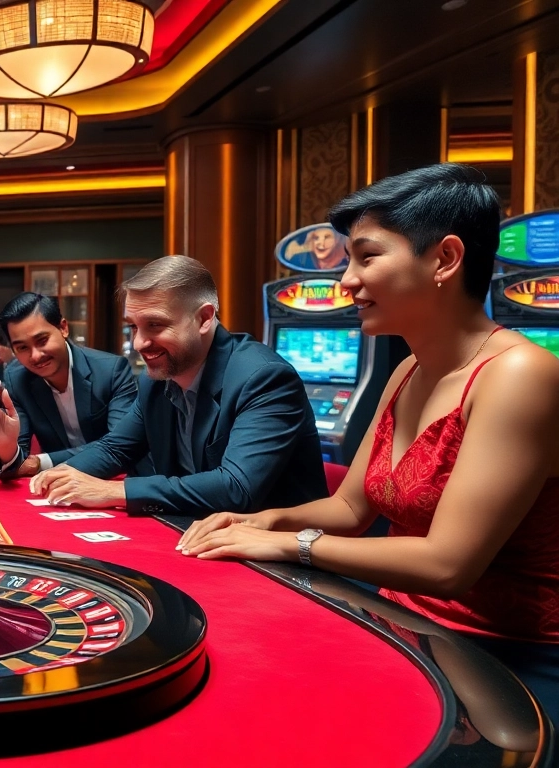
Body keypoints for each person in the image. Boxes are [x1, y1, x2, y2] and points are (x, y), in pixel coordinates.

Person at [175, 164, 559, 716]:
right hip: (411, 627)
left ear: (445, 259)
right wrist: (264, 520)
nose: (346, 280)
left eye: (367, 256)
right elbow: (350, 505)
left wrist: (291, 545)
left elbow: (450, 566)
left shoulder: (520, 376)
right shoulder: (406, 372)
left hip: (510, 665)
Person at [31, 255, 326, 517]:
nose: (138, 344)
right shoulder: (155, 380)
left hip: (277, 558)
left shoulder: (264, 378)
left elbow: (236, 487)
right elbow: (116, 449)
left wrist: (116, 492)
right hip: (196, 531)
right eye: (133, 326)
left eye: (155, 325)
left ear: (204, 318)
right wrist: (60, 475)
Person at [0, 292, 139, 480]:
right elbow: (18, 463)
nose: (36, 356)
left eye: (42, 341)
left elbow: (120, 446)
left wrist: (42, 462)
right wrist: (6, 447)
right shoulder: (18, 379)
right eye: (22, 347)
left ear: (63, 328)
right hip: (56, 488)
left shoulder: (111, 371)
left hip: (113, 480)